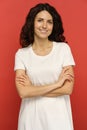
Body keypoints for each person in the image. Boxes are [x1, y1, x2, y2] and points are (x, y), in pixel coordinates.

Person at [14, 3, 75, 130]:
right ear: (32, 23)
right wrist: (57, 84)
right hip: (31, 117)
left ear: (54, 25)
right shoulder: (22, 54)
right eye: (40, 20)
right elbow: (23, 92)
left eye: (49, 22)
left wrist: (33, 89)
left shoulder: (63, 49)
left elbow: (68, 89)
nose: (44, 26)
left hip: (59, 118)